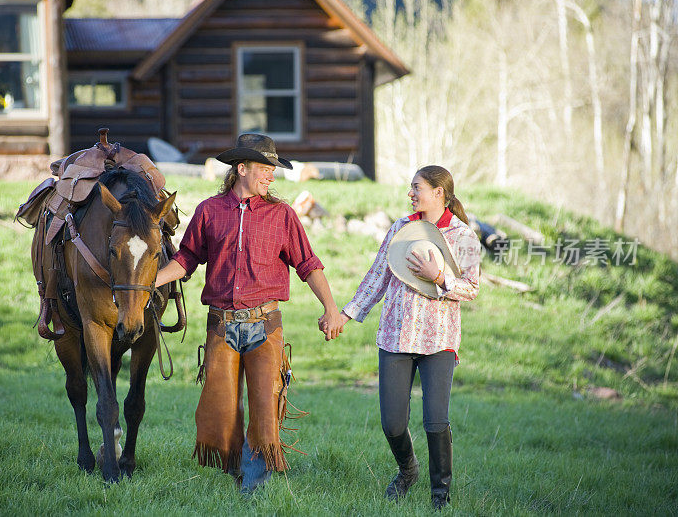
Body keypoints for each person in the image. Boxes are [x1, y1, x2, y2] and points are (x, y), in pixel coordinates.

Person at [155, 133, 342, 495]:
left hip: (265, 326)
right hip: (221, 327)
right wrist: (147, 282)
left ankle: (252, 487)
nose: (271, 175)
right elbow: (186, 259)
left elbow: (307, 264)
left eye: (273, 169)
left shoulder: (282, 215)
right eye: (264, 168)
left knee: (264, 410)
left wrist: (331, 309)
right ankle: (239, 471)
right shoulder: (209, 211)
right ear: (241, 169)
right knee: (222, 412)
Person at [334, 165, 480, 510]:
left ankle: (440, 494)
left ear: (438, 193)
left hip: (437, 341)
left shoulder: (464, 236)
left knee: (435, 421)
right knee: (392, 423)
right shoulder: (400, 228)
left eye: (417, 188)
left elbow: (471, 289)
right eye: (411, 188)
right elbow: (376, 277)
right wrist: (346, 313)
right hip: (395, 338)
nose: (411, 193)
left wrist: (440, 276)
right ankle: (407, 470)